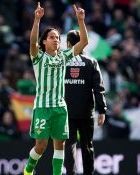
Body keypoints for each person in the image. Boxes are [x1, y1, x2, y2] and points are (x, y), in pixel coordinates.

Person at [23, 2, 88, 175]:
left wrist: (81, 21)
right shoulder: (38, 57)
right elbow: (31, 43)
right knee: (41, 146)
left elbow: (84, 42)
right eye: (52, 37)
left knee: (60, 145)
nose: (56, 40)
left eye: (58, 37)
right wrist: (37, 20)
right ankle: (29, 168)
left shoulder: (64, 56)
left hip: (60, 108)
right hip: (43, 107)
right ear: (44, 41)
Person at [64, 30, 107, 175]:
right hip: (86, 112)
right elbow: (99, 88)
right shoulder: (91, 62)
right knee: (87, 145)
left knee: (69, 145)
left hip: (67, 111)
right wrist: (102, 110)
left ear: (68, 43)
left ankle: (71, 174)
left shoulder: (61, 62)